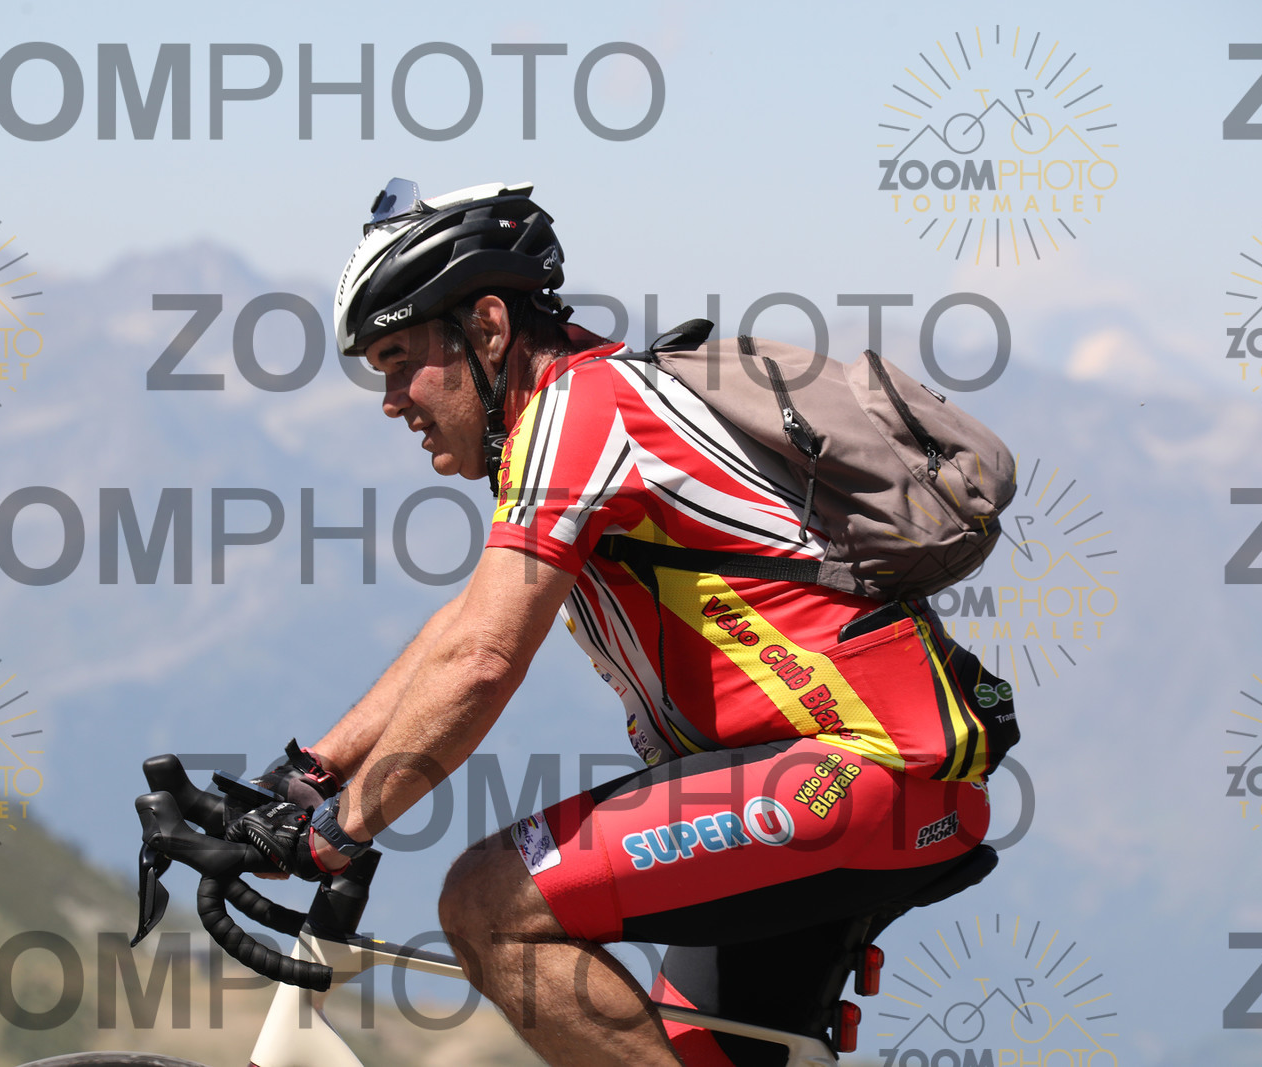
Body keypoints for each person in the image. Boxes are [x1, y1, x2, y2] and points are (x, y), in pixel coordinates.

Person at [234, 178, 1009, 1066]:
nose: (391, 398)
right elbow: (464, 627)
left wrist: (343, 829)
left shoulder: (583, 411)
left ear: (488, 328)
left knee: (489, 905)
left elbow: (482, 661)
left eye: (400, 358)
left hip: (860, 769)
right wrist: (313, 772)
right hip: (842, 780)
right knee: (689, 1050)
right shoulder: (579, 414)